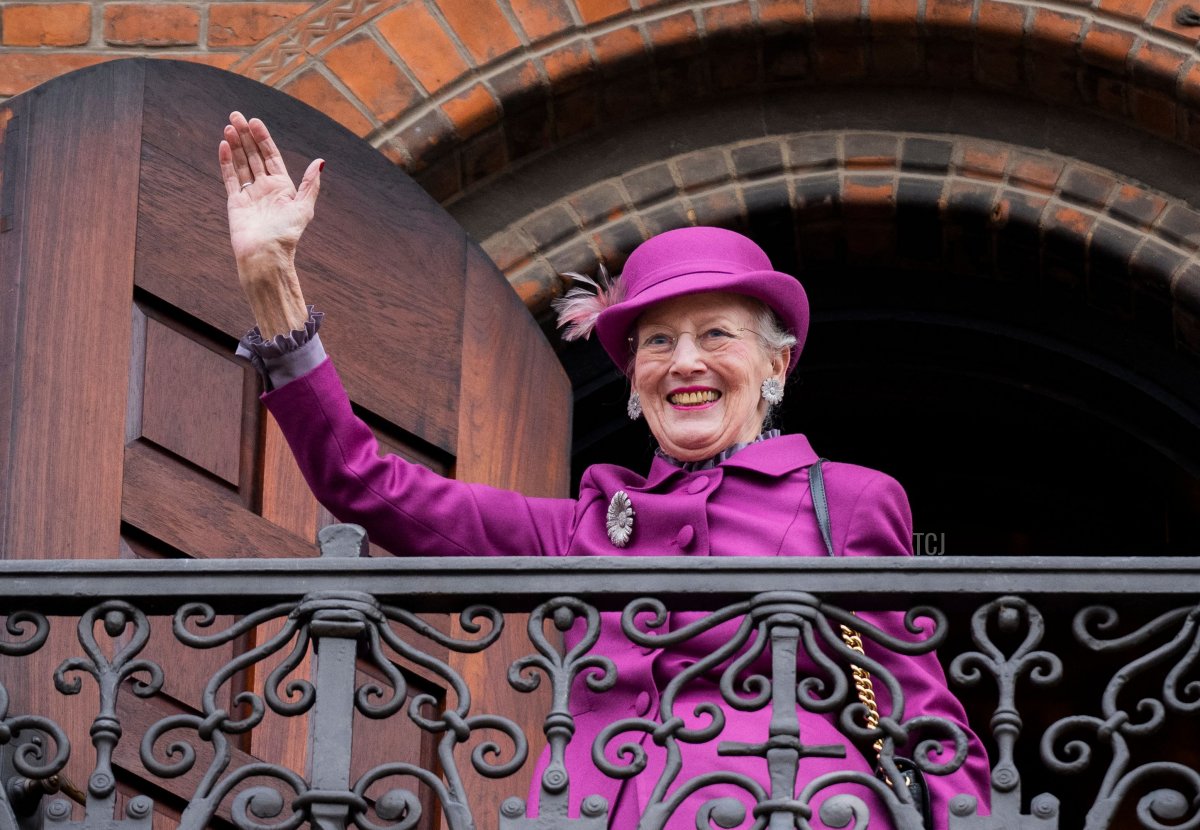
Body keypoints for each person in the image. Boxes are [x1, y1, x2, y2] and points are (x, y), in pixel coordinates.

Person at [219, 111, 990, 829]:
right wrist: (274, 286)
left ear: (775, 364)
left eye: (716, 334)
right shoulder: (585, 521)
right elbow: (365, 484)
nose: (685, 362)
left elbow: (920, 710)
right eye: (657, 343)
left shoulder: (846, 500)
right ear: (632, 379)